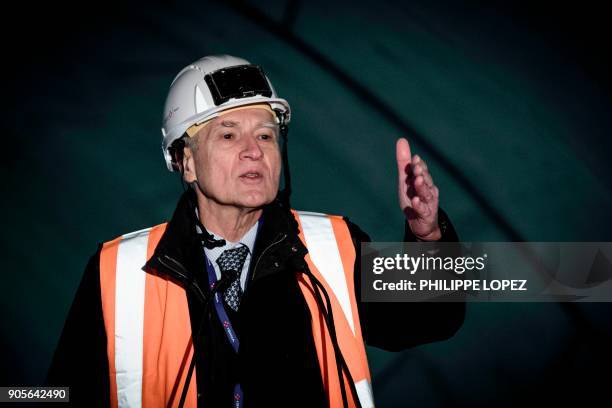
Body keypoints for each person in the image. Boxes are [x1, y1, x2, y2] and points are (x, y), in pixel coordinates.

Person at [48, 55, 464, 407]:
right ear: (186, 162)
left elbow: (431, 317)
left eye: (265, 134)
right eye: (228, 135)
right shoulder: (117, 272)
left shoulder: (334, 246)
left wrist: (428, 237)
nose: (254, 150)